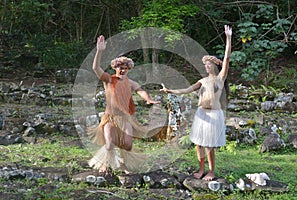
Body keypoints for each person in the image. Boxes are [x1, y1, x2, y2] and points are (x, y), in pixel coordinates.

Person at [160, 25, 232, 181]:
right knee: (199, 143)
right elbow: (187, 89)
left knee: (209, 145)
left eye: (209, 65)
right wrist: (170, 91)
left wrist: (228, 37)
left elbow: (226, 58)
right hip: (202, 113)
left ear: (215, 66)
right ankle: (201, 169)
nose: (206, 67)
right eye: (205, 65)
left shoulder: (220, 78)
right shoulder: (202, 80)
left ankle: (211, 171)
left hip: (214, 114)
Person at [88, 35, 160, 173]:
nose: (122, 70)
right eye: (120, 67)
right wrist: (99, 51)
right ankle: (106, 164)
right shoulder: (108, 79)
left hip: (125, 118)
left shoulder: (131, 83)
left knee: (127, 144)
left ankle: (122, 163)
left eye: (125, 68)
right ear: (115, 68)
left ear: (129, 69)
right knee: (109, 144)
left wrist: (148, 99)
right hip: (109, 118)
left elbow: (140, 91)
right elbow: (95, 68)